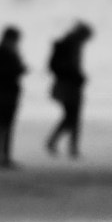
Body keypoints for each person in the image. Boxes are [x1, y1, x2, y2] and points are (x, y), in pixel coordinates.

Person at [44, 21, 93, 159]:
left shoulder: (68, 44)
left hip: (69, 84)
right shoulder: (70, 45)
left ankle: (61, 143)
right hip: (69, 85)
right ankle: (68, 145)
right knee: (73, 115)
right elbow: (71, 67)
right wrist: (78, 76)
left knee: (71, 115)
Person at [0, 26, 25, 168]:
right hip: (2, 94)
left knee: (7, 126)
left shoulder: (8, 52)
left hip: (8, 93)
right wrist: (17, 69)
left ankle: (4, 156)